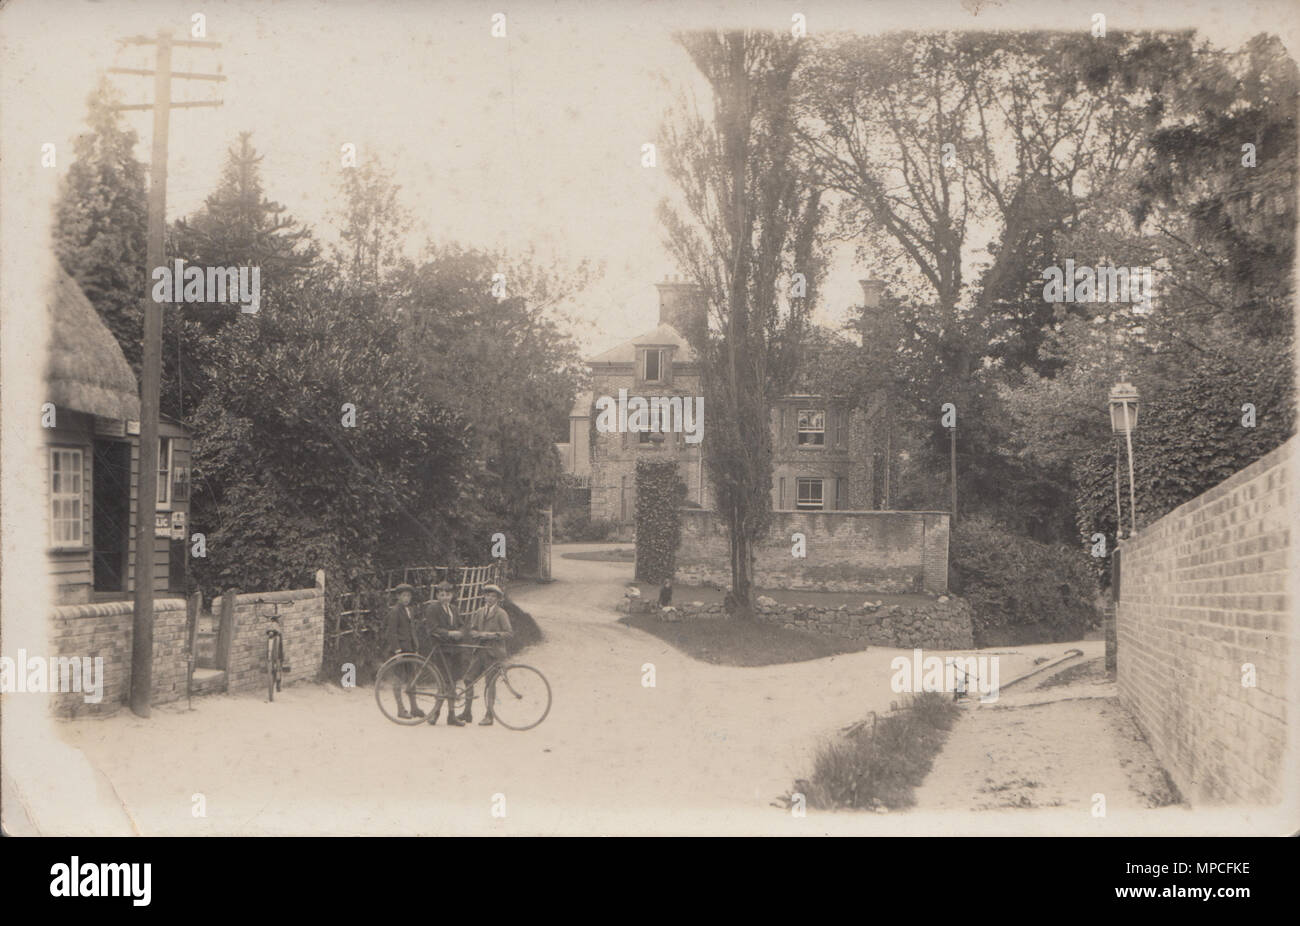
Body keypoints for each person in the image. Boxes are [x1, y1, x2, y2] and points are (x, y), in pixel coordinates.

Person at [459, 584, 513, 726]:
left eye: (493, 596)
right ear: (484, 596)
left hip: (494, 653)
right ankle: (467, 712)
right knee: (468, 679)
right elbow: (472, 630)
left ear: (498, 599)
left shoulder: (501, 614)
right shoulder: (479, 612)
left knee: (490, 684)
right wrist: (475, 634)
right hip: (479, 651)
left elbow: (508, 633)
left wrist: (489, 635)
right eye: (487, 595)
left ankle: (489, 715)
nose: (489, 598)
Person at [423, 580, 469, 726]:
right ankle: (435, 714)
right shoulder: (432, 609)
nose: (445, 598)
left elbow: (462, 624)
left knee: (453, 681)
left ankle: (451, 715)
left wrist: (460, 632)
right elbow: (433, 628)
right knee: (443, 682)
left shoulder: (454, 609)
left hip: (455, 649)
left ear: (452, 595)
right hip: (441, 649)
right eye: (442, 595)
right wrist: (449, 633)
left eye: (448, 595)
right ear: (437, 595)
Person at [382, 584, 427, 719]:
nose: (406, 598)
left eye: (408, 596)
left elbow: (411, 629)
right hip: (400, 650)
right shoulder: (395, 611)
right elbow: (391, 633)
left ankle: (414, 707)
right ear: (398, 597)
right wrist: (397, 650)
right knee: (399, 679)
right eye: (403, 596)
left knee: (412, 679)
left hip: (410, 649)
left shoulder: (410, 610)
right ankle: (400, 709)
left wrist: (416, 646)